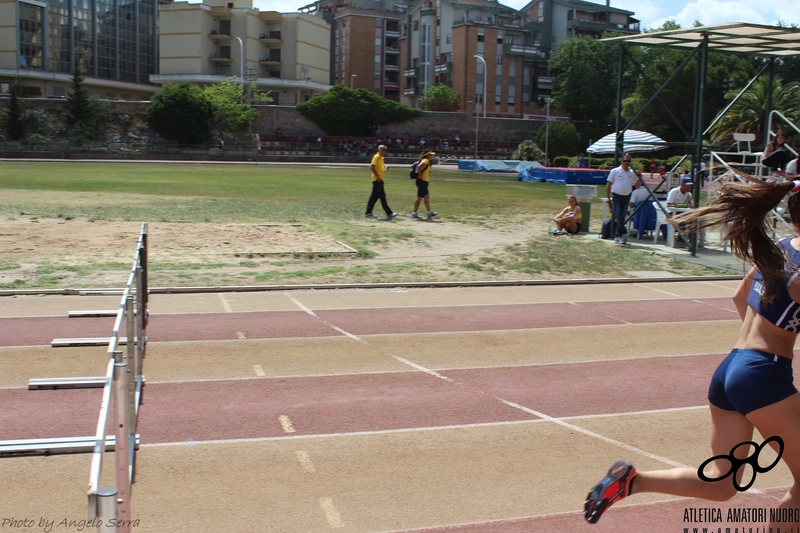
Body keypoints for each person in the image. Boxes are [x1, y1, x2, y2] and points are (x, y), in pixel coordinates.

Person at [584, 179, 800, 531]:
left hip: (732, 368)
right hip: (764, 374)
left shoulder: (779, 247)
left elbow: (738, 297)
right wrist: (772, 351)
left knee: (721, 483)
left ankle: (632, 480)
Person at [605, 154, 638, 245]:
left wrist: (639, 176)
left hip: (627, 196)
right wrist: (608, 197)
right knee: (618, 214)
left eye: (629, 161)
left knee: (622, 217)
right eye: (625, 161)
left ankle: (618, 236)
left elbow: (637, 185)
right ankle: (623, 233)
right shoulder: (615, 171)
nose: (627, 163)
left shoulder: (632, 173)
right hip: (617, 196)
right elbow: (608, 184)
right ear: (621, 161)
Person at [365, 145, 397, 220]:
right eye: (382, 150)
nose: (383, 152)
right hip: (377, 180)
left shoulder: (381, 158)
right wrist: (377, 176)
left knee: (374, 197)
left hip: (379, 179)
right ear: (378, 150)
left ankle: (368, 212)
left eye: (385, 150)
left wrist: (385, 168)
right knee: (382, 196)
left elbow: (379, 168)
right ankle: (389, 213)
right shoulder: (377, 157)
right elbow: (372, 167)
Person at [411, 149, 438, 220]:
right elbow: (419, 166)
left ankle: (429, 212)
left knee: (426, 197)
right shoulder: (425, 161)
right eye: (431, 155)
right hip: (422, 181)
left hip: (424, 181)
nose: (432, 156)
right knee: (419, 197)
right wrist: (419, 175)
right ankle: (414, 213)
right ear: (427, 155)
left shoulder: (427, 161)